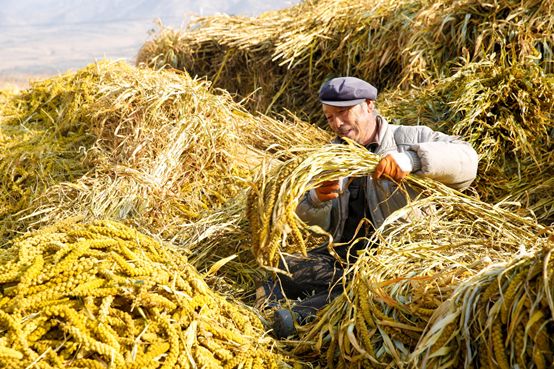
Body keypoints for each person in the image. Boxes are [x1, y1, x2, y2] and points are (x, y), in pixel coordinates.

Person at [258, 76, 479, 339]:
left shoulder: (409, 138)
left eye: (343, 112)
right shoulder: (331, 156)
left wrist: (411, 160)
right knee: (278, 266)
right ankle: (291, 299)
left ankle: (301, 316)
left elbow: (468, 160)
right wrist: (316, 200)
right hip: (343, 258)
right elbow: (317, 225)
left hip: (394, 262)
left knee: (372, 287)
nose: (337, 124)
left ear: (368, 105)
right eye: (329, 117)